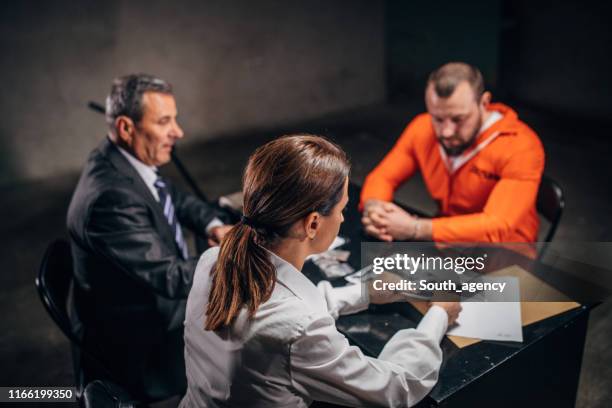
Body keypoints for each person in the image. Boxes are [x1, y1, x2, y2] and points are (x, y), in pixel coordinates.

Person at [180, 135, 461, 407]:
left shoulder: (212, 260)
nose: (341, 218)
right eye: (342, 209)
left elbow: (276, 315)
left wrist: (363, 293)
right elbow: (395, 388)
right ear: (312, 224)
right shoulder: (299, 328)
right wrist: (438, 317)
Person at [67, 74, 232, 399]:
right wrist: (234, 254)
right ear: (127, 128)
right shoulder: (110, 198)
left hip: (139, 303)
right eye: (164, 122)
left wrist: (214, 225)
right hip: (141, 341)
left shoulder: (119, 159)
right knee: (257, 332)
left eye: (176, 119)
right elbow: (171, 278)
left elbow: (171, 195)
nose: (178, 132)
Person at [361, 62, 545, 243]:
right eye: (438, 118)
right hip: (446, 240)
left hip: (508, 251)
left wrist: (416, 228)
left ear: (484, 102)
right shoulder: (422, 128)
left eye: (458, 119)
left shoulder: (521, 146)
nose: (446, 131)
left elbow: (497, 225)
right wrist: (376, 210)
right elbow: (382, 178)